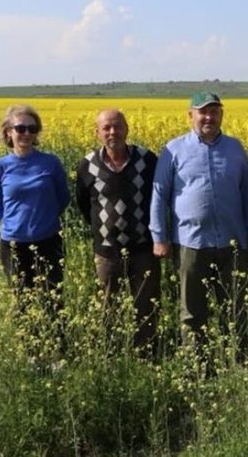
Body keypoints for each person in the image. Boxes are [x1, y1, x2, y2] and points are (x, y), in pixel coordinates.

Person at [150, 92, 248, 355]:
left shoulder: (235, 148)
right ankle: (196, 365)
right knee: (192, 310)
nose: (209, 117)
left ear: (221, 115)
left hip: (232, 241)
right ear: (191, 115)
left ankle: (238, 362)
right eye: (203, 112)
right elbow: (159, 195)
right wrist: (159, 237)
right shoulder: (173, 149)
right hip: (191, 242)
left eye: (214, 112)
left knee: (235, 307)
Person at [75, 109, 161, 354]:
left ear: (127, 129)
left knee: (146, 305)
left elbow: (159, 198)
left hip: (144, 248)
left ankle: (147, 355)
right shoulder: (87, 164)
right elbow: (84, 203)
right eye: (106, 128)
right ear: (97, 133)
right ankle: (110, 354)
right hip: (106, 251)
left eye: (118, 126)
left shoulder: (147, 159)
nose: (113, 132)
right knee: (107, 306)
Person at [0, 104, 70, 329]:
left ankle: (58, 345)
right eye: (20, 128)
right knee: (22, 300)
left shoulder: (50, 163)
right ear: (8, 132)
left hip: (48, 240)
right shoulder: (0, 167)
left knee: (53, 298)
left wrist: (43, 219)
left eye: (32, 129)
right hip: (14, 243)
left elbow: (63, 198)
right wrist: (17, 224)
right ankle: (30, 347)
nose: (26, 133)